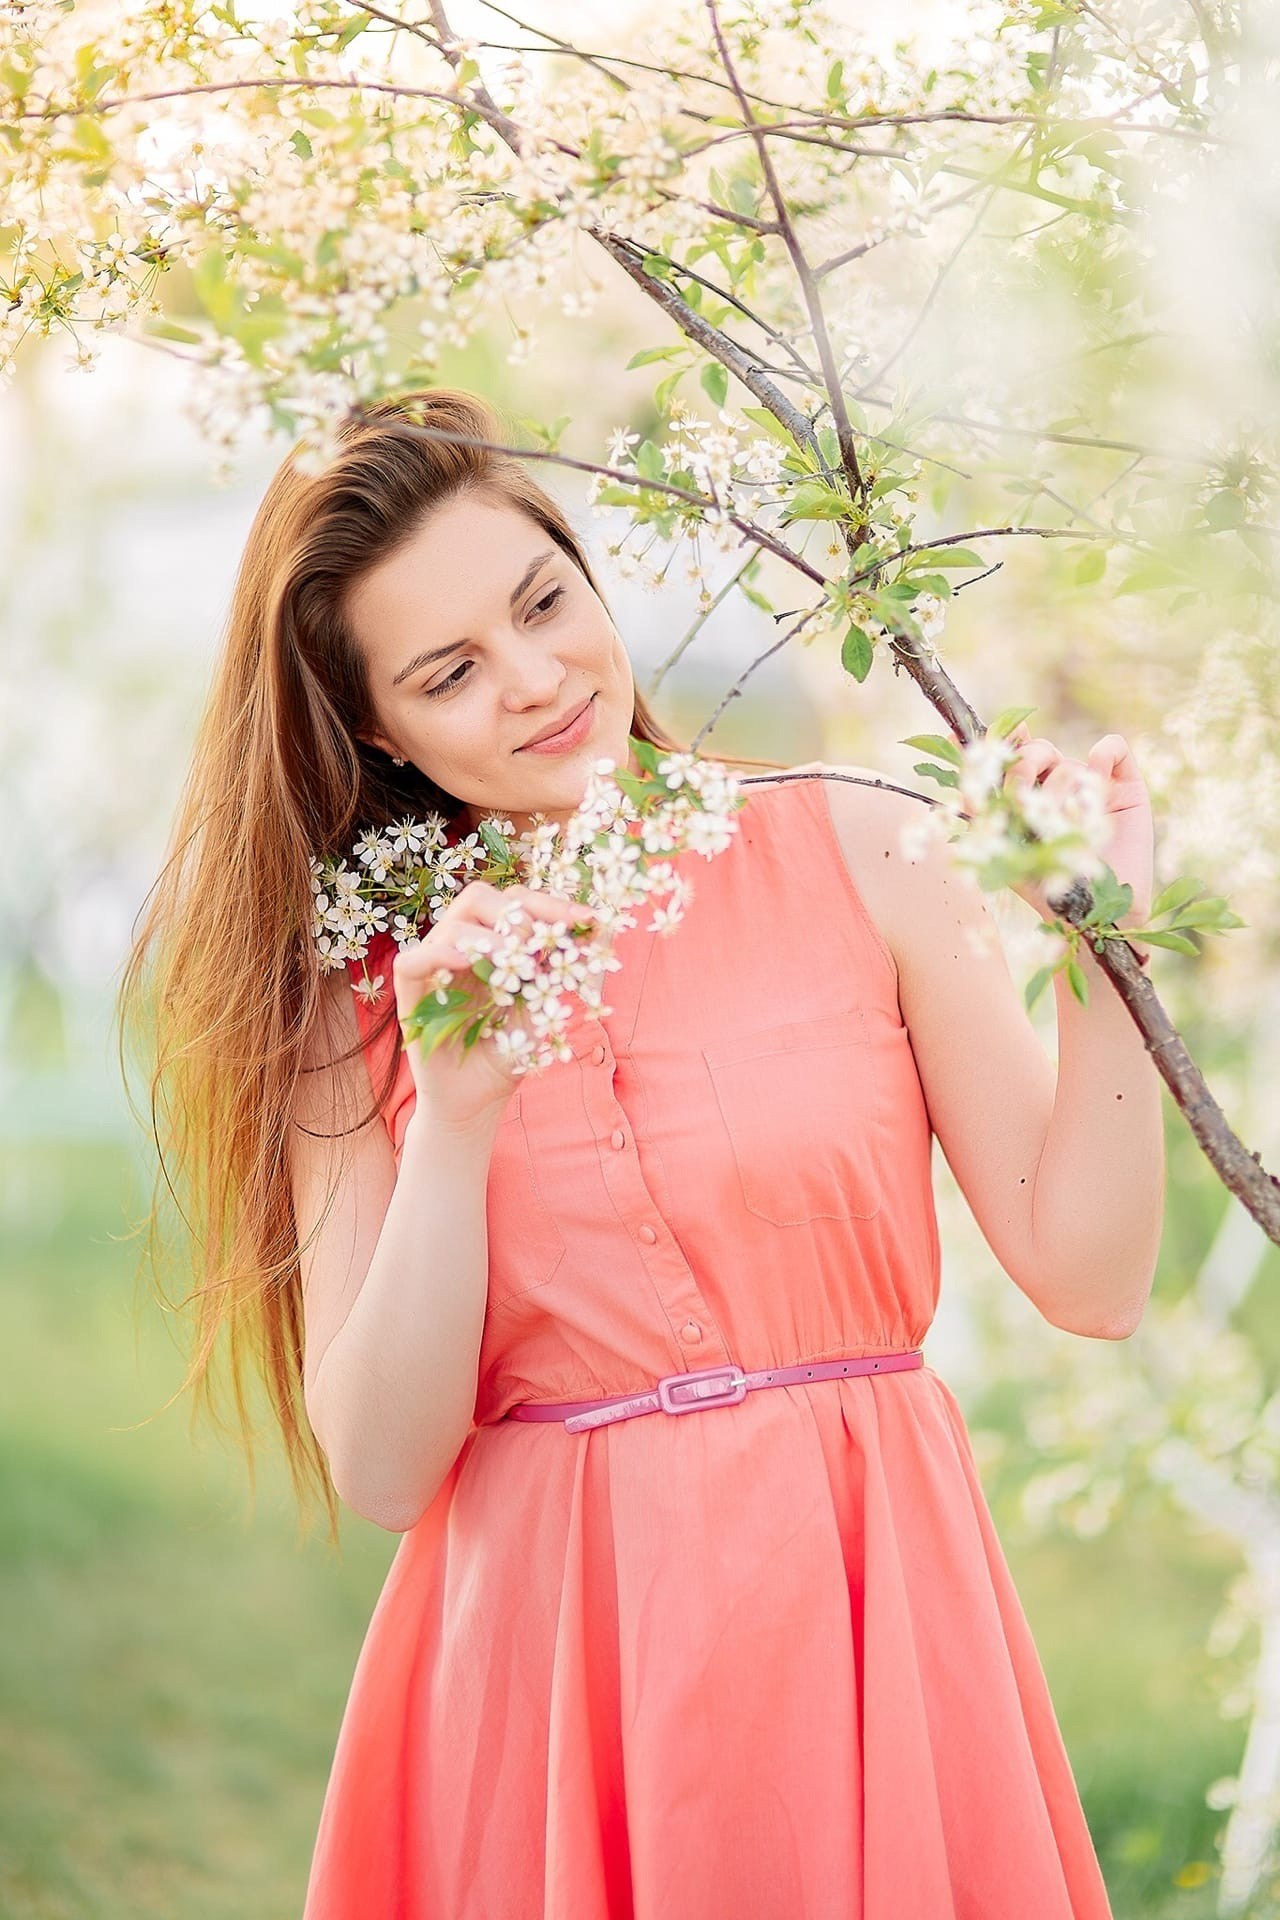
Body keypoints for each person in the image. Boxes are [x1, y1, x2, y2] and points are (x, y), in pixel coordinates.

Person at [118, 387, 1164, 1919]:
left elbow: (1092, 1277)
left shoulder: (861, 847)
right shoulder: (360, 996)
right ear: (371, 724)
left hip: (870, 1613)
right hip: (552, 1672)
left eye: (546, 603)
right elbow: (387, 1465)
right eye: (449, 673)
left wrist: (1103, 943)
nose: (538, 681)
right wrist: (458, 1121)